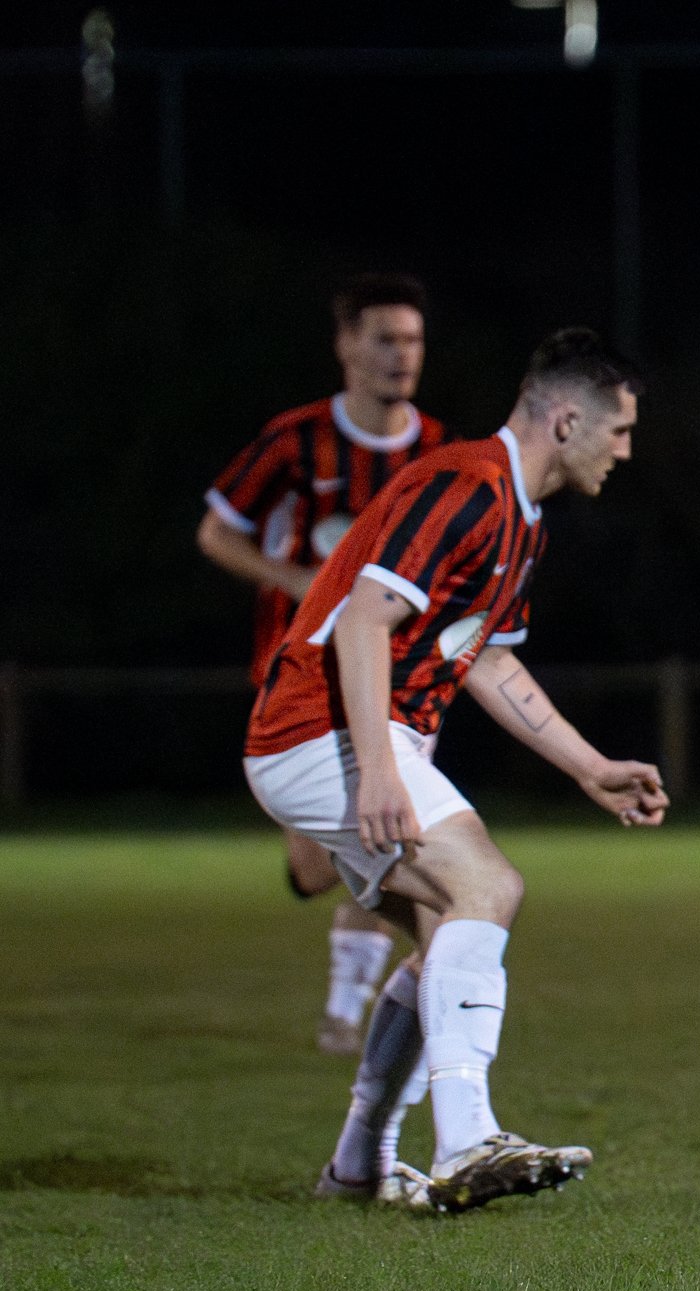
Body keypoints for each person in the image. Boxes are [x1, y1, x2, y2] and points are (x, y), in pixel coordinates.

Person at [242, 328, 668, 1212]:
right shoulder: (464, 485)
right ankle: (469, 1136)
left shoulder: (522, 520)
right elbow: (362, 621)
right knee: (489, 884)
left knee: (448, 929)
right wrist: (378, 775)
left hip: (350, 738)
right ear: (564, 420)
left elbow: (486, 661)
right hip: (319, 731)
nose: (627, 449)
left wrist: (590, 767)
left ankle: (359, 1165)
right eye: (618, 430)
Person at [198, 273, 446, 1055]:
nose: (400, 354)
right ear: (346, 345)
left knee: (385, 830)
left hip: (397, 679)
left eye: (411, 339)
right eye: (383, 337)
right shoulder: (296, 441)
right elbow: (217, 532)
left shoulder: (440, 452)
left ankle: (349, 1007)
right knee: (315, 866)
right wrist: (298, 580)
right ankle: (382, 963)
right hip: (295, 674)